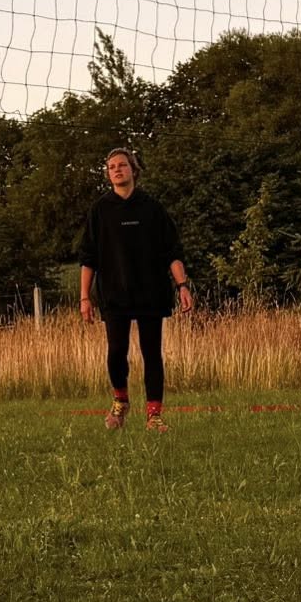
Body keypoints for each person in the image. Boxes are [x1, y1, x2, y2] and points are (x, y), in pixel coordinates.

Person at [79, 148, 193, 431]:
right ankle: (120, 401)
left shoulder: (152, 208)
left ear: (133, 169)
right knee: (116, 351)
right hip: (114, 292)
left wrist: (182, 286)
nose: (117, 170)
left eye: (122, 165)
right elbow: (88, 257)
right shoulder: (100, 210)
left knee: (151, 352)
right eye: (111, 167)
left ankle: (154, 415)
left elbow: (172, 251)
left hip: (150, 292)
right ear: (108, 175)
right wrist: (84, 297)